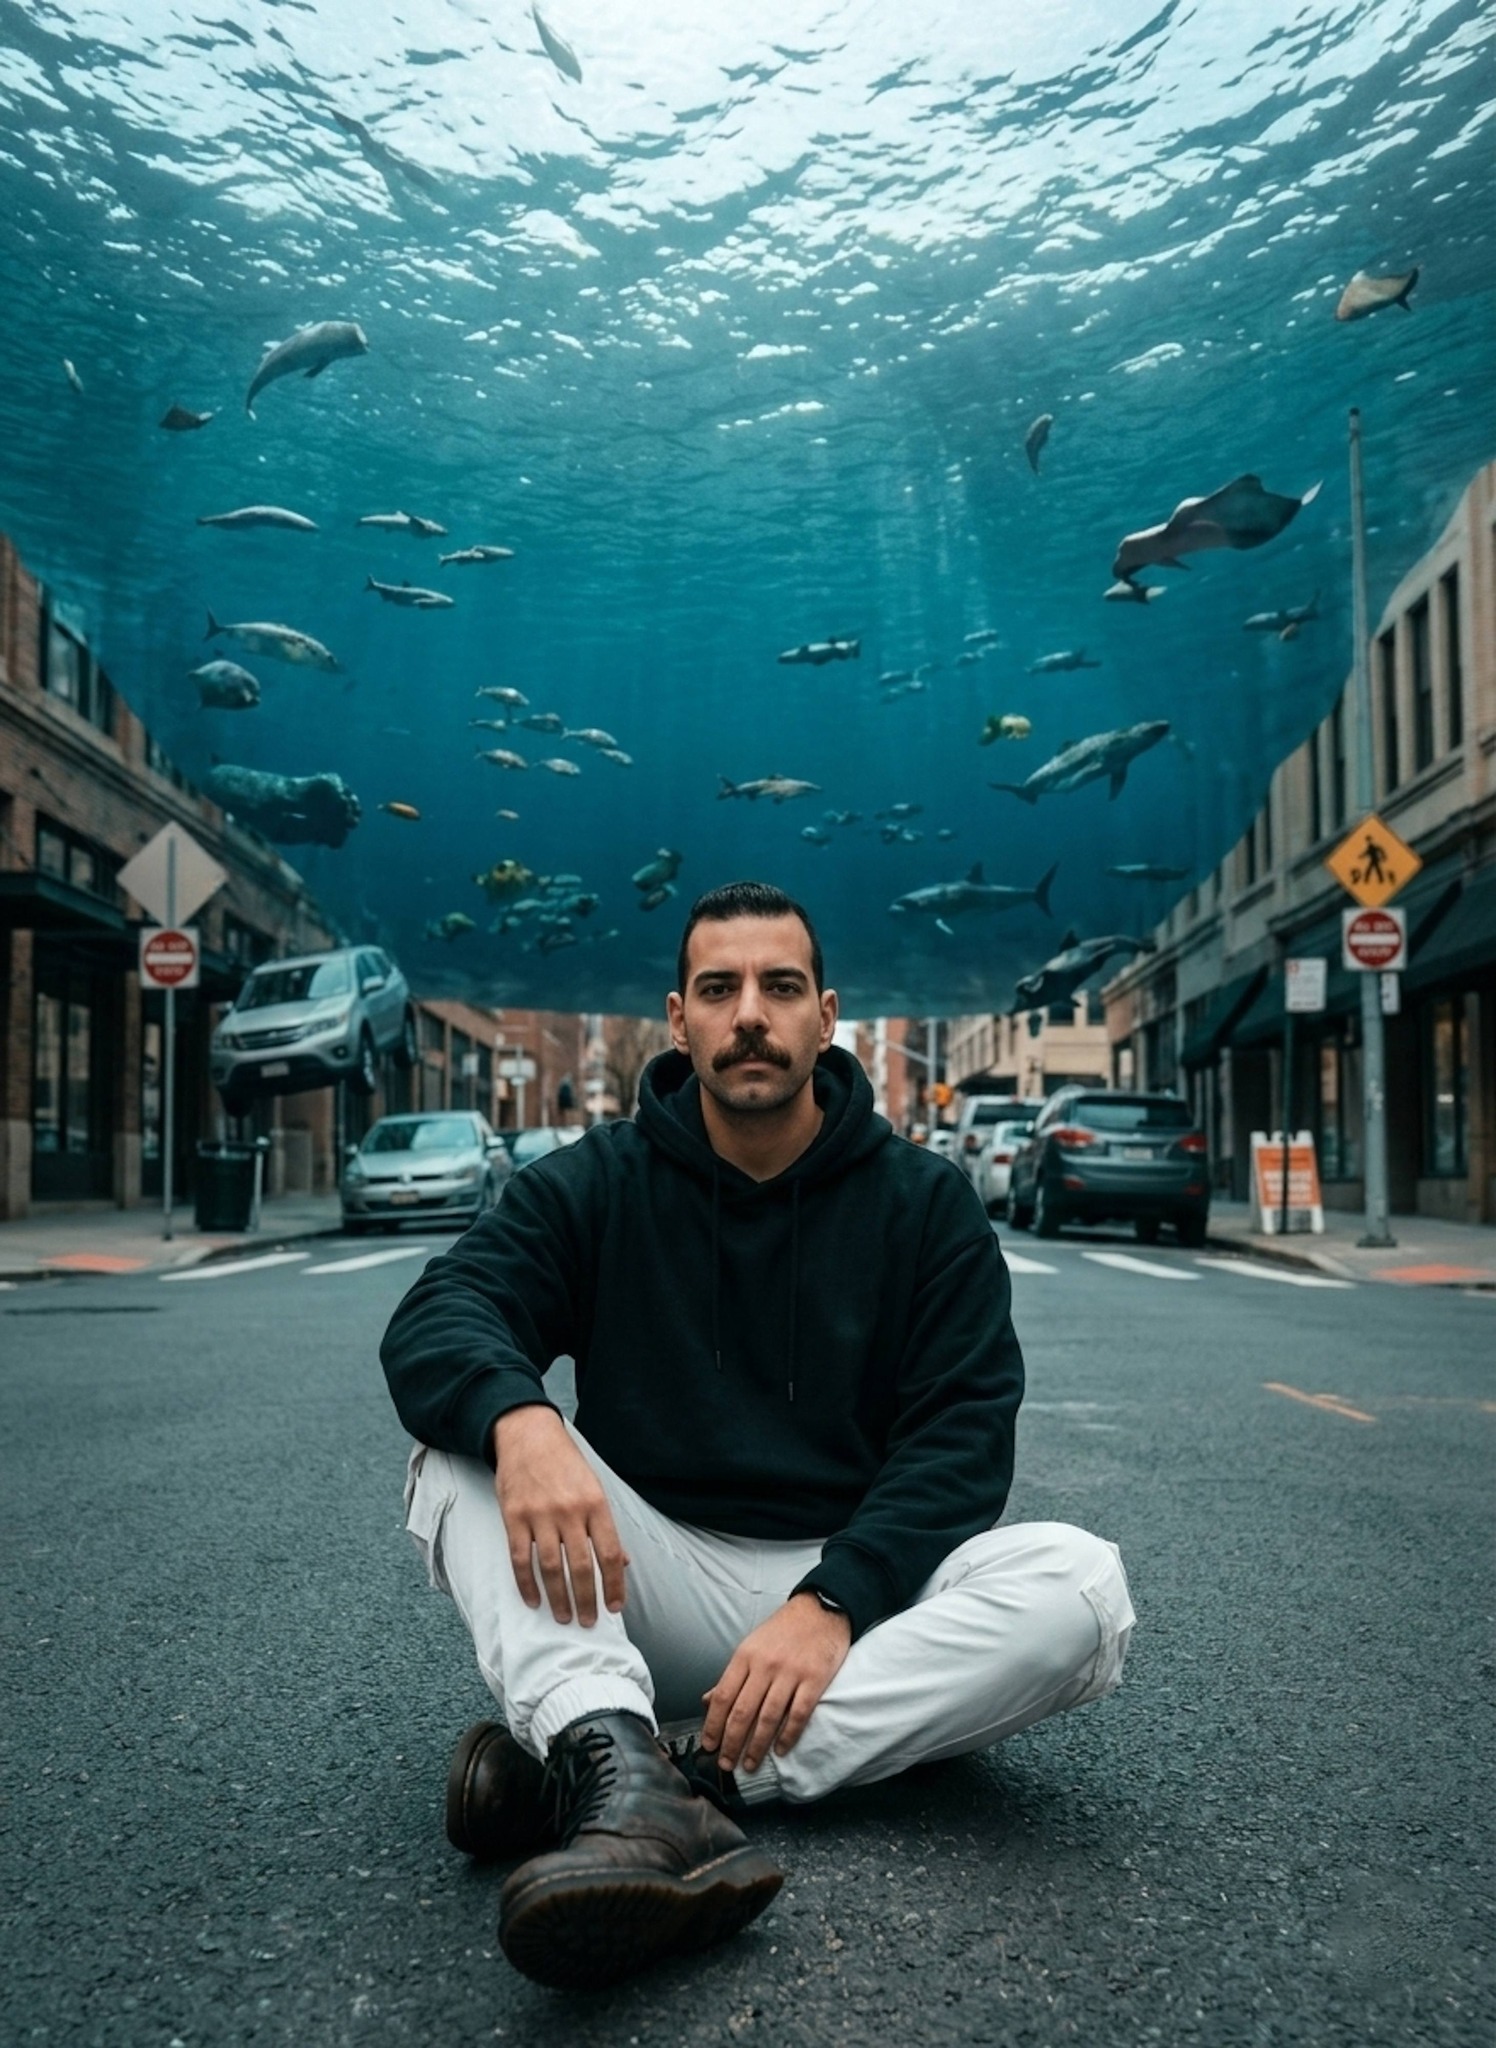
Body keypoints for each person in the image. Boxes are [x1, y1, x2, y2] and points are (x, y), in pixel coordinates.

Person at [380, 881, 1134, 1991]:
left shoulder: (923, 1204)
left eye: (779, 987)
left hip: (849, 1592)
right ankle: (605, 1730)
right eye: (719, 988)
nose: (750, 1014)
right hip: (649, 1579)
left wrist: (836, 1599)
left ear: (823, 1015)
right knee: (457, 1448)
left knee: (1082, 1590)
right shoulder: (599, 1182)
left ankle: (638, 1782)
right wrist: (523, 1417)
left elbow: (960, 1436)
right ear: (676, 1020)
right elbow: (441, 1312)